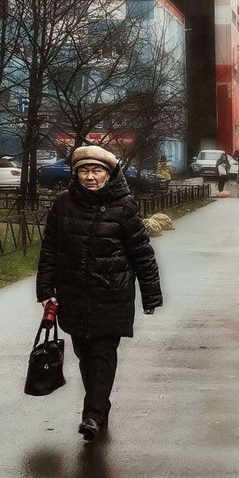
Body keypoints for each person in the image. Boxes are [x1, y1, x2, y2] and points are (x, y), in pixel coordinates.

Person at [36, 145, 163, 442]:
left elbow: (142, 254)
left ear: (108, 174)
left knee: (104, 353)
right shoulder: (63, 204)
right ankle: (100, 405)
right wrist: (45, 290)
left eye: (96, 171)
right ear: (76, 174)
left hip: (111, 295)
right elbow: (50, 249)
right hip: (74, 294)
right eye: (84, 171)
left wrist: (151, 296)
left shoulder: (124, 207)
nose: (90, 177)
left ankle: (91, 414)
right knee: (85, 355)